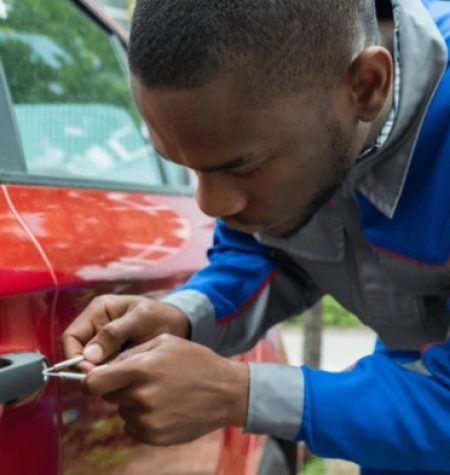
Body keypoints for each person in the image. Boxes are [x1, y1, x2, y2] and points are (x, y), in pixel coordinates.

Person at [62, 0, 450, 473]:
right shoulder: (285, 117)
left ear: (367, 85)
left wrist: (239, 392)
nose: (211, 205)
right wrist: (180, 317)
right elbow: (267, 251)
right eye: (188, 168)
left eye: (240, 167)